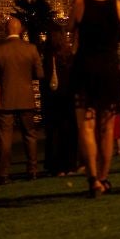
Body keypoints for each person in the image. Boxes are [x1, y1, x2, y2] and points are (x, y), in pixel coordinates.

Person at [70, 0, 120, 197]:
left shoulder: (80, 4)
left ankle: (93, 179)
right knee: (107, 128)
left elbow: (71, 29)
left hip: (85, 69)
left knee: (86, 126)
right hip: (109, 70)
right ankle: (104, 178)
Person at [0, 15, 44, 184]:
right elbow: (40, 74)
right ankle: (32, 170)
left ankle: (4, 174)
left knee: (5, 138)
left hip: (5, 99)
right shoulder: (31, 49)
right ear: (20, 30)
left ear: (6, 30)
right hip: (26, 97)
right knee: (30, 135)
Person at [41, 23, 79, 176]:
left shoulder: (47, 56)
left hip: (52, 99)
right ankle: (69, 164)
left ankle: (55, 166)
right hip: (68, 98)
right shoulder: (69, 55)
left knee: (53, 132)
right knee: (69, 131)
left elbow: (42, 78)